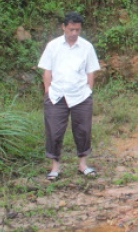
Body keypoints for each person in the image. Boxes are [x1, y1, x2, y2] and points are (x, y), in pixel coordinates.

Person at [39, 11, 101, 181]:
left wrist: (89, 90)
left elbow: (90, 71)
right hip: (56, 95)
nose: (74, 33)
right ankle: (55, 168)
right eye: (71, 29)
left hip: (81, 95)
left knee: (83, 130)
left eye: (77, 30)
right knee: (54, 131)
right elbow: (47, 70)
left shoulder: (86, 47)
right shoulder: (53, 46)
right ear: (63, 27)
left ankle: (83, 164)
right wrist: (47, 91)